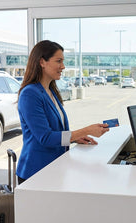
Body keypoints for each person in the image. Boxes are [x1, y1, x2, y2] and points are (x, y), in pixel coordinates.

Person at [16, 40, 109, 184]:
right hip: (36, 173)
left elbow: (56, 131)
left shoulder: (50, 90)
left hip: (54, 168)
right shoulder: (30, 94)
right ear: (42, 62)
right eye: (58, 61)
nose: (63, 66)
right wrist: (86, 130)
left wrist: (75, 138)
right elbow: (45, 138)